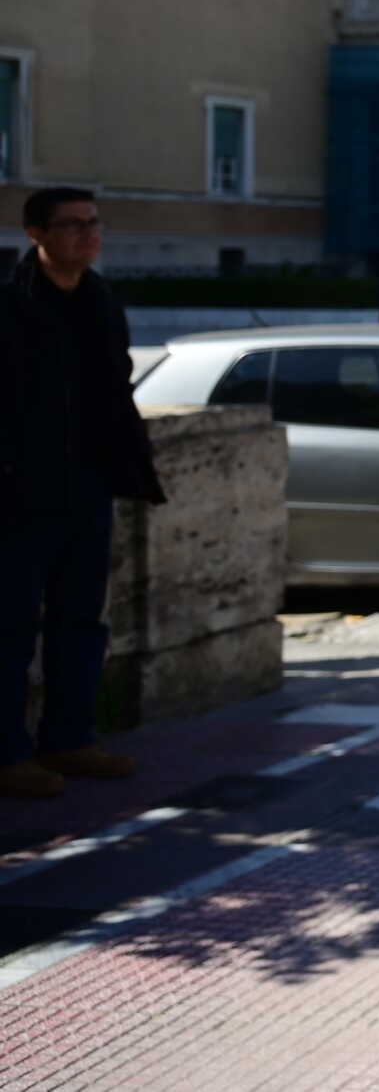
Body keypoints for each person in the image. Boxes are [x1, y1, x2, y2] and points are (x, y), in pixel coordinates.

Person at [0, 188, 164, 800]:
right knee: (11, 628)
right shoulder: (11, 304)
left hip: (88, 486)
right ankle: (8, 754)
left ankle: (69, 739)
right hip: (19, 496)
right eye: (71, 226)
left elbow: (114, 391)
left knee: (80, 623)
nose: (87, 235)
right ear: (36, 234)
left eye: (93, 224)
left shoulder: (100, 300)